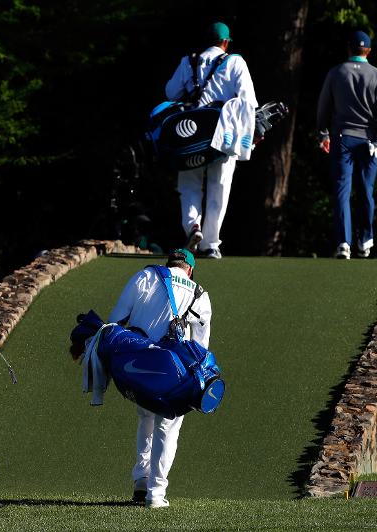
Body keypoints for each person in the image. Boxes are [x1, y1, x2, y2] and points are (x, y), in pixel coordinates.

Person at [107, 248, 212, 508]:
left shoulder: (144, 277)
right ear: (190, 269)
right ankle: (156, 493)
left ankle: (140, 479)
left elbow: (114, 321)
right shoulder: (200, 294)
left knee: (145, 418)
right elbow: (201, 349)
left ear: (169, 263)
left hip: (139, 367)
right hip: (174, 375)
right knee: (167, 428)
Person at [165, 21, 258, 259]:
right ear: (226, 42)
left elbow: (170, 92)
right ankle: (210, 244)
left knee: (189, 184)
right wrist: (252, 133)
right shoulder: (235, 62)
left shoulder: (188, 61)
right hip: (222, 132)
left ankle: (192, 228)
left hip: (190, 133)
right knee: (220, 187)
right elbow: (248, 100)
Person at [316, 30, 377, 259]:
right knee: (366, 191)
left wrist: (323, 134)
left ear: (348, 48)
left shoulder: (336, 72)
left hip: (342, 137)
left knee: (343, 190)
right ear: (368, 51)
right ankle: (365, 240)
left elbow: (323, 107)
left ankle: (344, 243)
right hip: (369, 141)